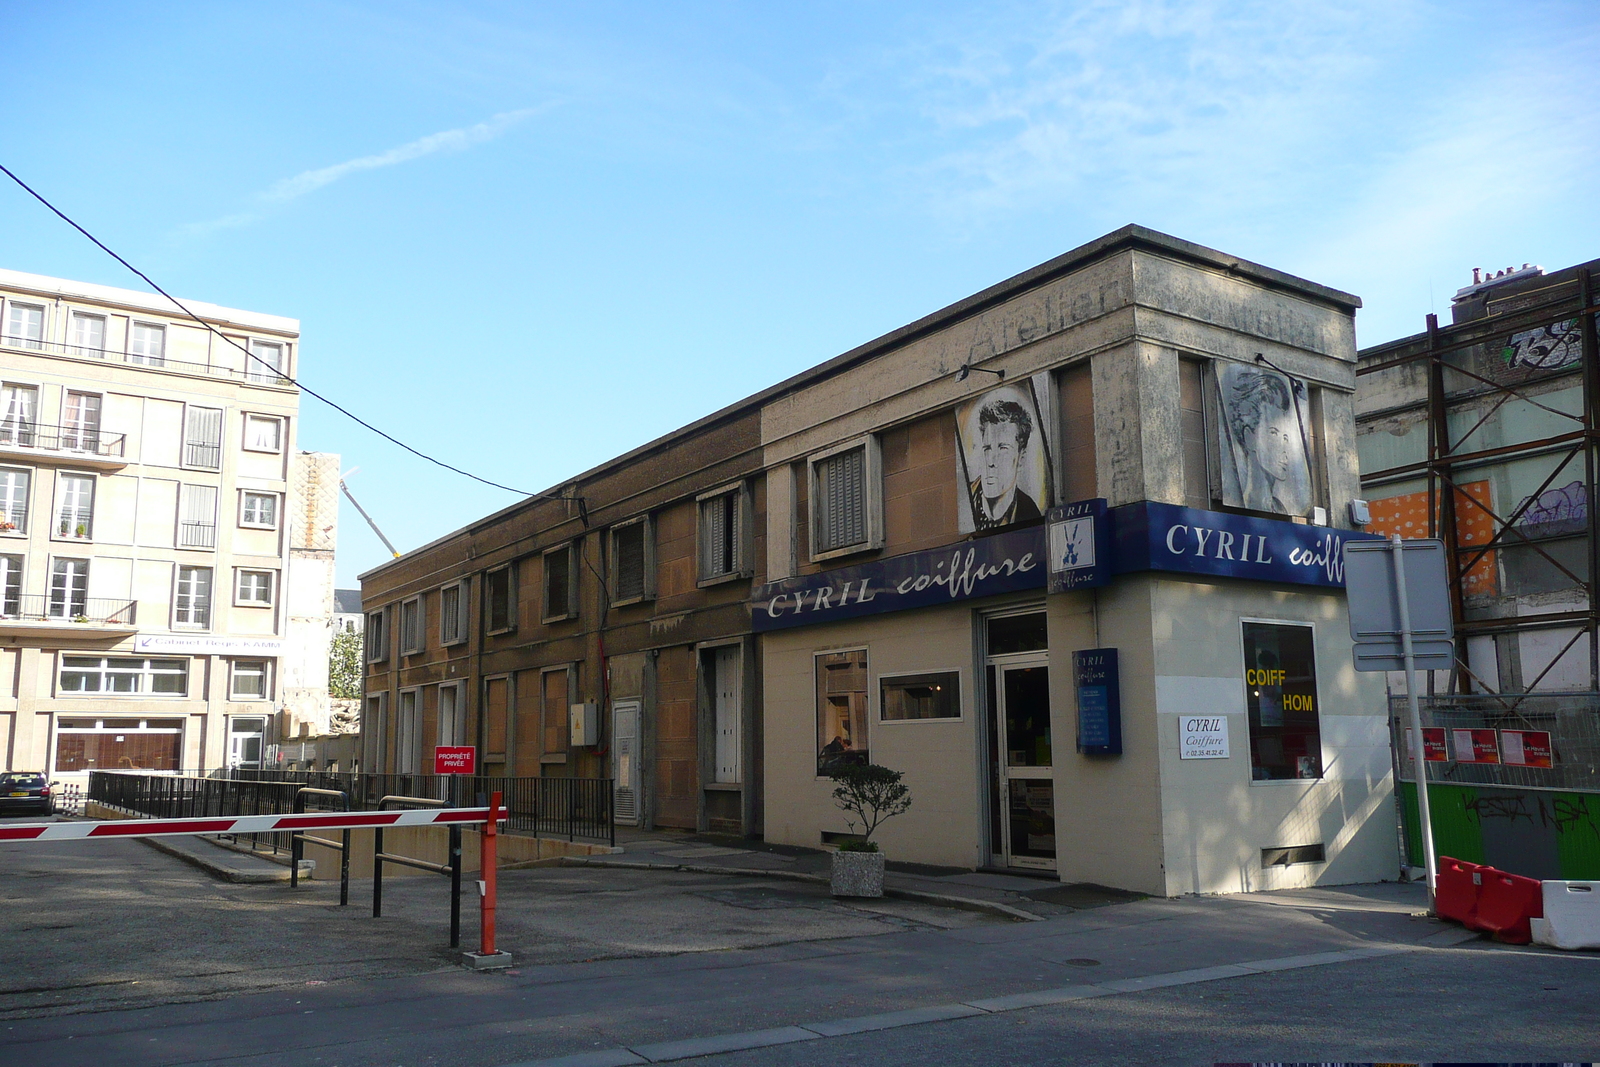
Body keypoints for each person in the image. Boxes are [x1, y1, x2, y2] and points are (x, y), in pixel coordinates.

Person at [1225, 369, 1310, 516]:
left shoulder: (1280, 508)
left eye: (1286, 438)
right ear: (1249, 437)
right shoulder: (1238, 499)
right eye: (1274, 433)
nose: (1286, 451)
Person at [967, 398, 1042, 530]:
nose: (991, 461)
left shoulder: (1029, 512)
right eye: (987, 448)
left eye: (1003, 449)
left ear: (1021, 457)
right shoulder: (966, 500)